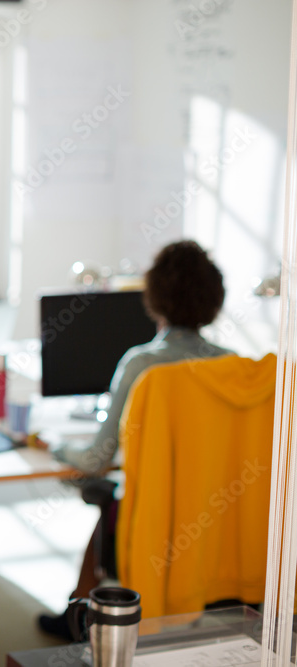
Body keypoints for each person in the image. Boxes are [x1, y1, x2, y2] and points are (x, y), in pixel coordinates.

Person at [37, 239, 233, 639]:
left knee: (110, 492)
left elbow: (96, 457)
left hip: (155, 515)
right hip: (219, 506)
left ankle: (76, 613)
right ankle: (77, 609)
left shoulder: (143, 364)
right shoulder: (232, 366)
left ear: (155, 298)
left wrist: (53, 444)